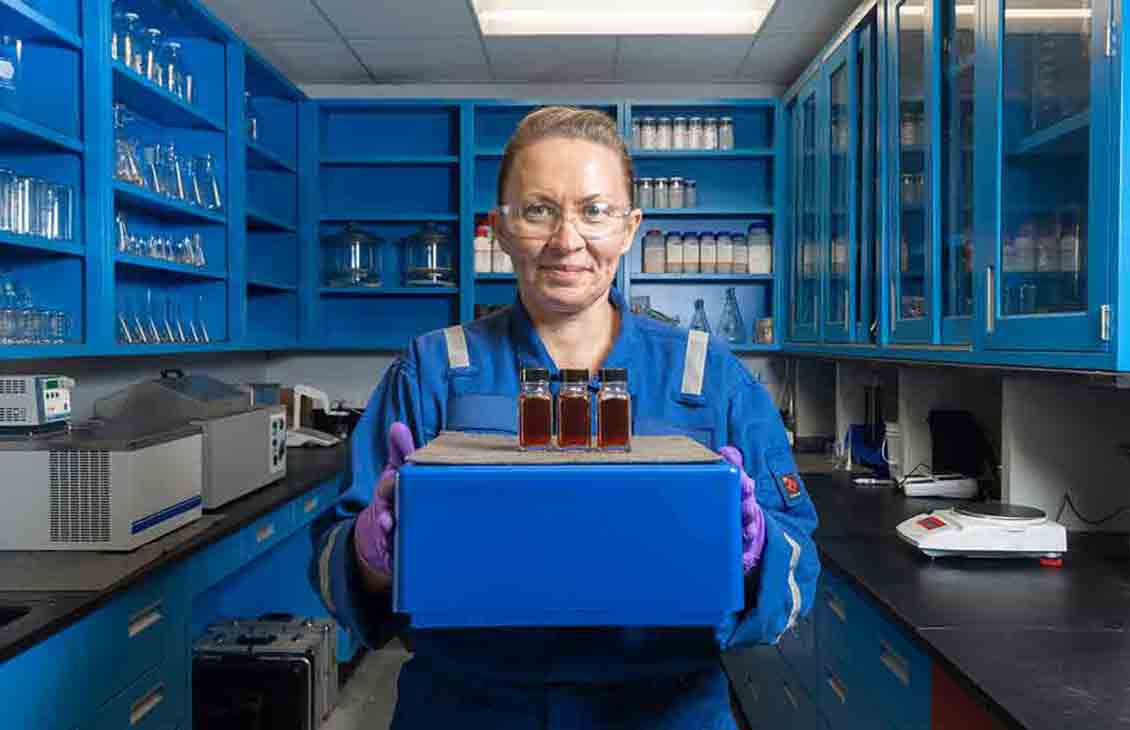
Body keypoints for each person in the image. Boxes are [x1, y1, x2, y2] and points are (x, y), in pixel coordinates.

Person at [311, 106, 819, 729]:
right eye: (538, 210)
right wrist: (371, 552)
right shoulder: (434, 371)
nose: (566, 240)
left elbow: (800, 571)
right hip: (464, 710)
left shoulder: (707, 377)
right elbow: (332, 569)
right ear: (499, 227)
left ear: (631, 227)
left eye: (595, 210)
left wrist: (756, 549)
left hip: (663, 713)